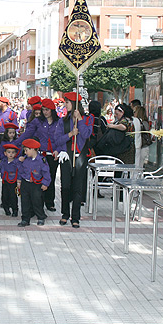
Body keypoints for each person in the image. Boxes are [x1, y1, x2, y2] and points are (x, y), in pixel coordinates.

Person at [16, 98, 61, 212]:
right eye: (43, 110)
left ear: (52, 110)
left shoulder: (59, 122)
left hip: (53, 154)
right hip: (40, 155)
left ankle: (50, 202)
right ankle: (38, 204)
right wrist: (15, 143)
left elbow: (61, 138)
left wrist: (59, 150)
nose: (45, 112)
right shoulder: (37, 121)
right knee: (38, 178)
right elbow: (28, 134)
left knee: (50, 177)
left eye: (47, 110)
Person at [55, 92, 92, 228]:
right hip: (66, 157)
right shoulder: (62, 121)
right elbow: (57, 140)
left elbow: (87, 134)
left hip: (80, 157)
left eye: (68, 102)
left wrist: (80, 120)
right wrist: (70, 134)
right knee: (65, 186)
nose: (65, 105)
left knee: (78, 188)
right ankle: (65, 214)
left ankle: (75, 216)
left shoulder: (87, 120)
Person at [17, 139, 51, 227]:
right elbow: (21, 170)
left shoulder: (41, 160)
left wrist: (45, 183)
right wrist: (19, 180)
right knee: (25, 201)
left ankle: (40, 217)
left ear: (33, 149)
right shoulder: (25, 159)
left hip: (36, 184)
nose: (25, 152)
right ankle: (25, 219)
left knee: (37, 201)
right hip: (26, 183)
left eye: (26, 150)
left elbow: (46, 172)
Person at [0, 143, 20, 217]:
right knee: (4, 195)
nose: (11, 154)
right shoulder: (3, 162)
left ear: (15, 154)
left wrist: (19, 180)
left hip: (13, 182)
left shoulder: (17, 162)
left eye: (13, 152)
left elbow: (20, 172)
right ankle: (6, 209)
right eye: (9, 152)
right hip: (5, 181)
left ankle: (15, 210)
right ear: (5, 153)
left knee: (13, 196)